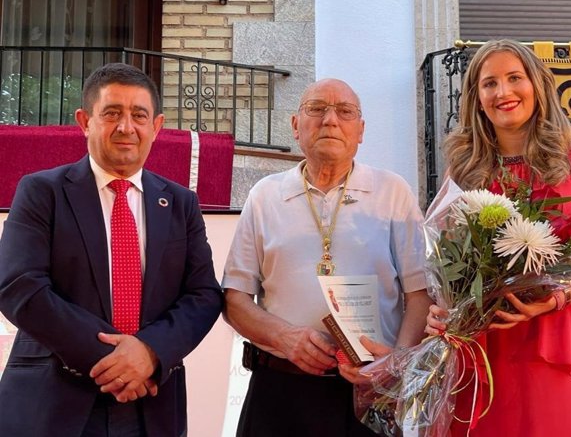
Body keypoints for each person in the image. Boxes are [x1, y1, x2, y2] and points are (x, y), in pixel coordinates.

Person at [426, 39, 571, 436]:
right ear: (476, 98)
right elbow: (449, 263)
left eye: (514, 78)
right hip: (492, 339)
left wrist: (554, 299)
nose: (503, 92)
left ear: (537, 85)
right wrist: (443, 308)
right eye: (489, 84)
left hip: (567, 333)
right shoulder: (464, 172)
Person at [0, 63, 223, 437]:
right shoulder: (42, 192)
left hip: (151, 407)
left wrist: (149, 353)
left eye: (139, 115)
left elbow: (202, 295)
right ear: (85, 121)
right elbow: (19, 286)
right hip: (53, 401)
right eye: (112, 114)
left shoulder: (182, 203)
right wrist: (117, 360)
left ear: (157, 126)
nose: (126, 127)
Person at [223, 78, 431, 436]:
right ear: (295, 125)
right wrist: (285, 336)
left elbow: (420, 294)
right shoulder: (265, 195)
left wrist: (395, 365)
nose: (330, 120)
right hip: (280, 391)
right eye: (316, 109)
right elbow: (234, 298)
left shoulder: (392, 191)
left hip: (370, 393)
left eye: (345, 111)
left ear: (361, 130)